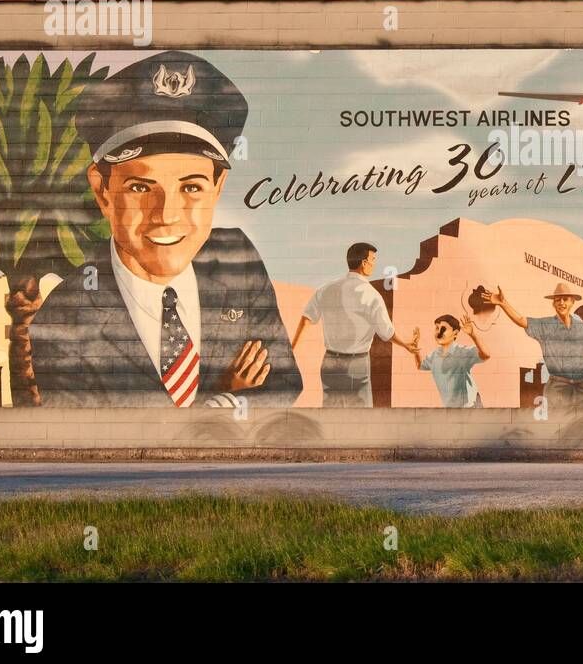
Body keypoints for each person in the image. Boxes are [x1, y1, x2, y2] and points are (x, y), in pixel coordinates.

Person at [30, 51, 303, 408]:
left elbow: (283, 384)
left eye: (191, 187)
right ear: (102, 190)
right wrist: (220, 398)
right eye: (140, 188)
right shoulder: (64, 321)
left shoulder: (237, 258)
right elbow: (99, 441)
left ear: (217, 188)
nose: (167, 215)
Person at [290, 242, 418, 407]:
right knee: (360, 417)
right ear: (364, 263)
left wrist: (292, 349)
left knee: (331, 414)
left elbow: (306, 319)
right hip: (357, 364)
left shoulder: (326, 289)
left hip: (329, 362)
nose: (374, 264)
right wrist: (406, 344)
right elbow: (387, 332)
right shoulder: (372, 295)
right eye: (373, 260)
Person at [488, 282, 583, 407]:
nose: (561, 303)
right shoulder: (545, 325)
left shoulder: (581, 327)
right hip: (558, 388)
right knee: (556, 423)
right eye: (557, 300)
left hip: (581, 387)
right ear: (553, 304)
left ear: (572, 302)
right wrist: (503, 303)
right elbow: (522, 321)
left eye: (565, 299)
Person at [412, 313, 489, 408]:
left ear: (455, 333)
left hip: (470, 407)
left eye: (443, 329)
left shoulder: (462, 353)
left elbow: (486, 355)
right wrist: (415, 346)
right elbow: (420, 365)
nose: (439, 332)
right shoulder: (434, 355)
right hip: (451, 408)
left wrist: (473, 335)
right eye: (437, 328)